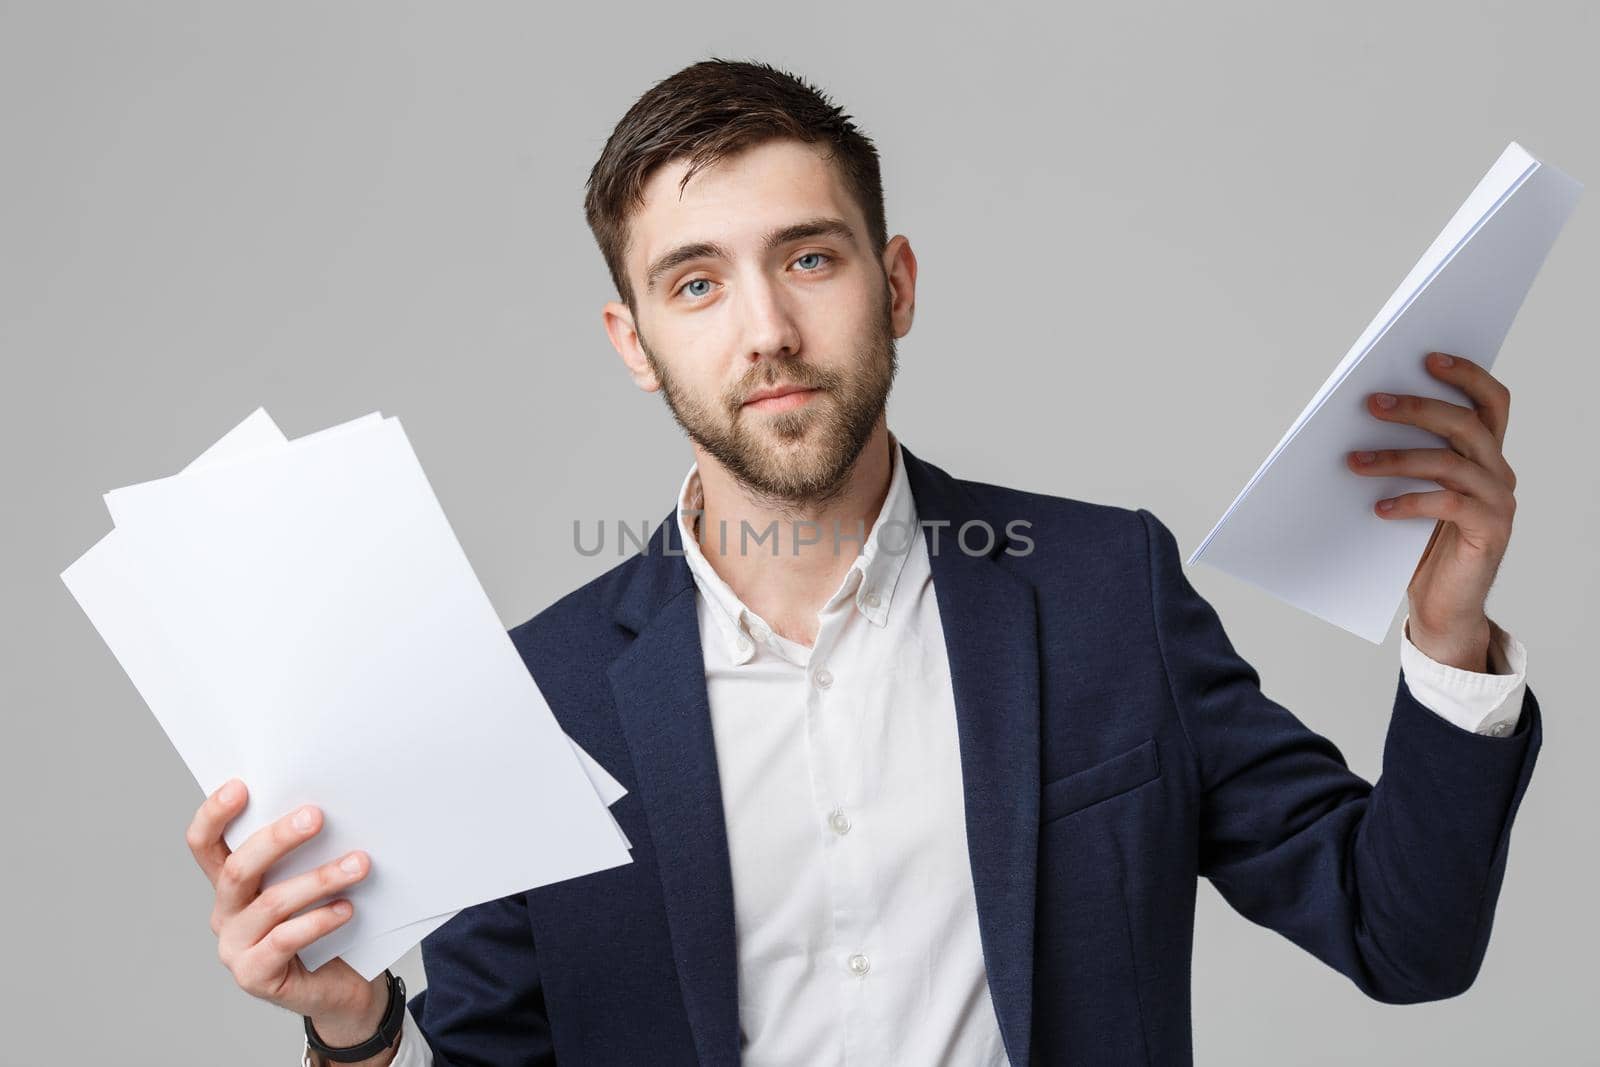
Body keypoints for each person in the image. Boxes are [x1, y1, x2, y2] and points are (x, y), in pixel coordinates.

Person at [184, 58, 1540, 1066]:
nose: (766, 327)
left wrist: (1448, 636)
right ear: (633, 340)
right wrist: (356, 1035)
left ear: (894, 283)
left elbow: (1402, 937)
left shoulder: (1100, 593)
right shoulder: (532, 697)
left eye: (809, 258)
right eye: (697, 282)